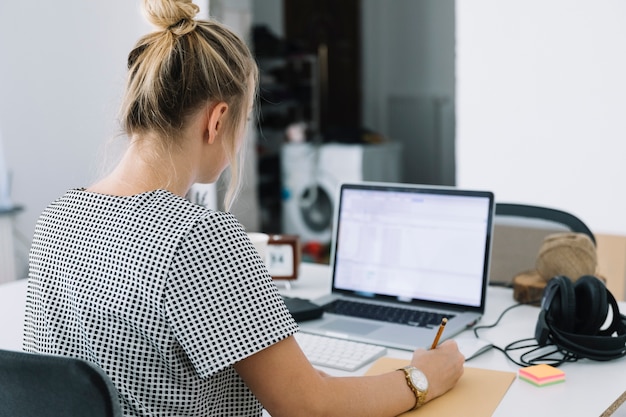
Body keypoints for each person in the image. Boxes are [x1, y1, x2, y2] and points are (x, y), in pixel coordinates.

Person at [23, 0, 464, 416]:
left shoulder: (57, 217)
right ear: (216, 121)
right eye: (244, 118)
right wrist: (424, 376)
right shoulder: (198, 237)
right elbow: (309, 408)